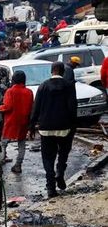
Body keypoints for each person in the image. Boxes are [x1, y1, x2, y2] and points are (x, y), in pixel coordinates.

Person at [30, 61, 77, 197]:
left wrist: (31, 125)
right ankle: (60, 172)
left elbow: (36, 108)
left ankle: (50, 187)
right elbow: (72, 107)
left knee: (47, 157)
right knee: (63, 152)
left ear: (52, 71)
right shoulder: (68, 86)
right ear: (63, 72)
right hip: (64, 127)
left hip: (46, 128)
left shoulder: (43, 86)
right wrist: (74, 125)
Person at [0, 70, 34, 173]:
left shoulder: (10, 91)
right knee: (21, 144)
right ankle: (18, 165)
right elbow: (32, 108)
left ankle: (1, 162)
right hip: (23, 122)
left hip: (11, 121)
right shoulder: (29, 92)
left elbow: (7, 107)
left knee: (4, 143)